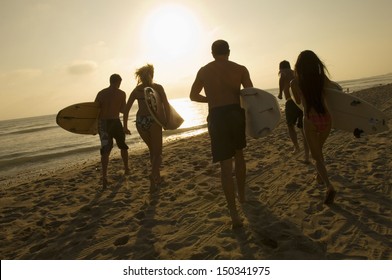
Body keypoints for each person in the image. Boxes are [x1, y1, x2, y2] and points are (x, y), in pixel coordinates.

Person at [190, 40, 253, 228]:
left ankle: (234, 215)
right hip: (235, 113)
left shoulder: (204, 70)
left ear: (212, 53)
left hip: (217, 116)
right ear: (229, 52)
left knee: (226, 167)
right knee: (239, 154)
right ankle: (241, 195)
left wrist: (211, 98)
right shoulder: (240, 69)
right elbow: (250, 94)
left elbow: (193, 96)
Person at [290, 50, 336, 204]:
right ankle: (319, 176)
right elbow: (335, 93)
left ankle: (329, 186)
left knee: (316, 157)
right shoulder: (322, 78)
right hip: (326, 119)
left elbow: (297, 101)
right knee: (319, 152)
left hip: (310, 119)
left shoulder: (295, 82)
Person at [123, 64, 170, 189]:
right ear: (152, 74)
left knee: (152, 151)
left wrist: (125, 126)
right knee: (158, 153)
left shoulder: (136, 90)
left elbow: (126, 109)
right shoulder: (157, 88)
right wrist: (167, 121)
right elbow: (165, 105)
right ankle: (153, 174)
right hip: (153, 120)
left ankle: (157, 178)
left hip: (140, 121)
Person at [95, 74, 129, 189]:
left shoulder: (101, 93)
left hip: (103, 124)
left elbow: (95, 111)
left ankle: (104, 177)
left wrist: (95, 128)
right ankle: (127, 169)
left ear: (110, 81)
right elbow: (123, 110)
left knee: (105, 150)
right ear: (118, 82)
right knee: (123, 146)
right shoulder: (121, 93)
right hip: (115, 122)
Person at [278, 60, 309, 162]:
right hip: (295, 102)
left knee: (296, 126)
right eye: (282, 70)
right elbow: (281, 93)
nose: (282, 72)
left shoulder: (290, 73)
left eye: (283, 69)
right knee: (296, 126)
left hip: (295, 102)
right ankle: (301, 151)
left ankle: (301, 150)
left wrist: (280, 93)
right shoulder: (288, 75)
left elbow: (282, 81)